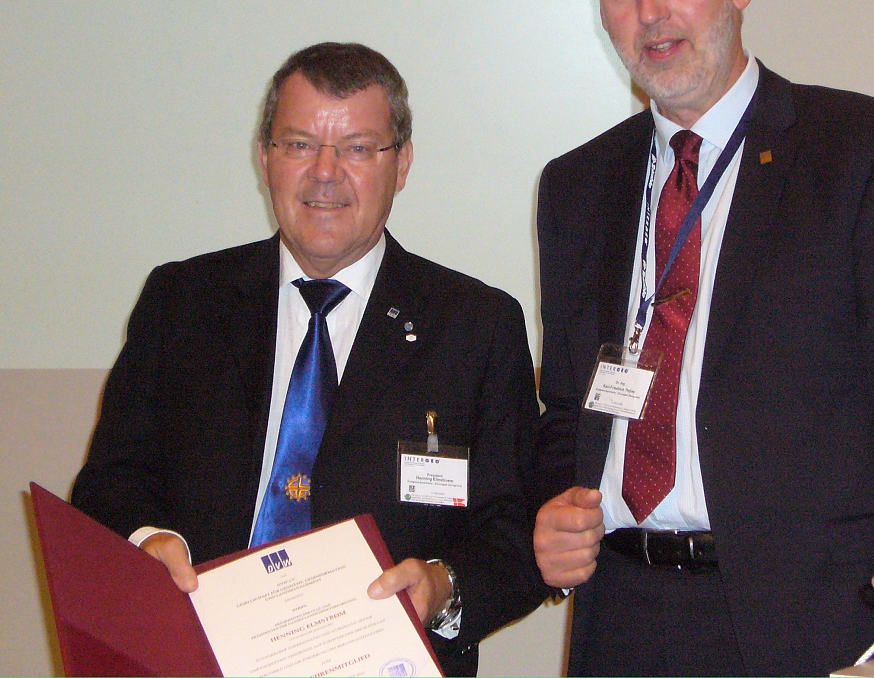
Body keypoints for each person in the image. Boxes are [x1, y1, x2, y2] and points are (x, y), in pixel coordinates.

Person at [532, 0, 874, 677]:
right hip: (620, 618)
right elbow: (569, 405)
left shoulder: (863, 153)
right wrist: (553, 507)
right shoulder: (576, 185)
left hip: (814, 625)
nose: (650, 11)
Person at [72, 42, 543, 676]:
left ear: (402, 163)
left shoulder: (475, 325)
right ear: (264, 157)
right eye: (299, 145)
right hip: (196, 656)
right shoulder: (182, 301)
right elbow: (109, 483)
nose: (325, 172)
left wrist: (442, 586)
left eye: (357, 148)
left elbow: (514, 531)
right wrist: (146, 541)